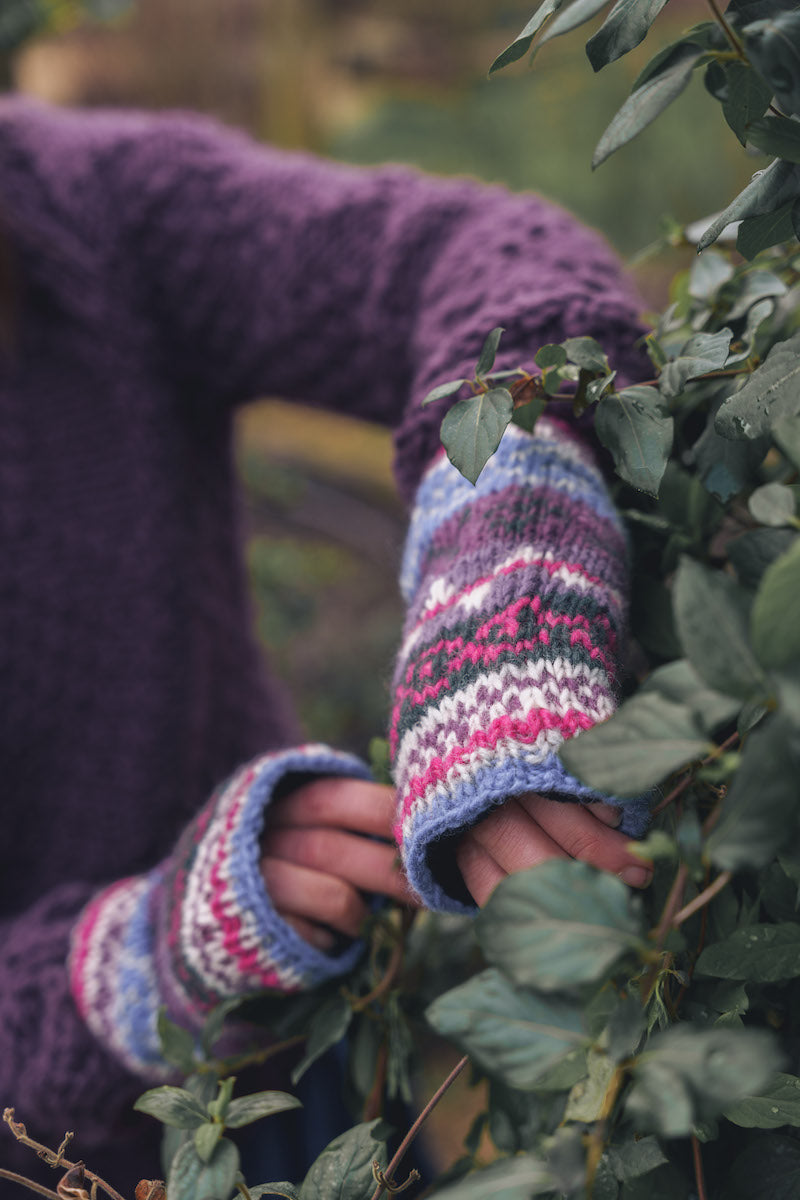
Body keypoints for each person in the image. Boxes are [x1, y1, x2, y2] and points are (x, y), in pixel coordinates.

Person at [0, 93, 652, 1195]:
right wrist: (139, 957)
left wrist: (497, 560)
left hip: (314, 1071)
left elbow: (484, 260)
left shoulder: (89, 211)